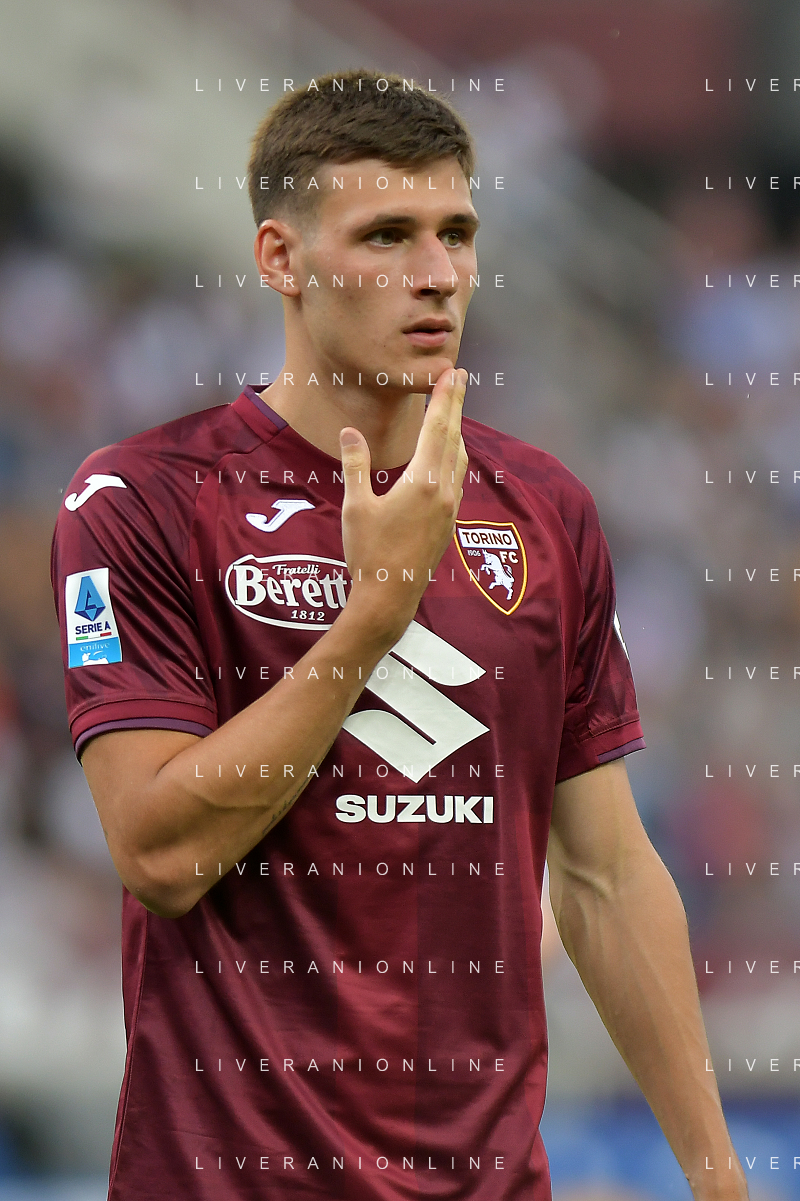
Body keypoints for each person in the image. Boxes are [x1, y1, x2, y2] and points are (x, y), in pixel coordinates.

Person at [50, 71, 747, 1201]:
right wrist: (373, 613)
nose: (437, 273)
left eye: (455, 234)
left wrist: (719, 1180)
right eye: (386, 236)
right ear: (281, 258)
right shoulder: (142, 501)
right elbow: (160, 857)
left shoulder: (543, 510)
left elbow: (606, 875)